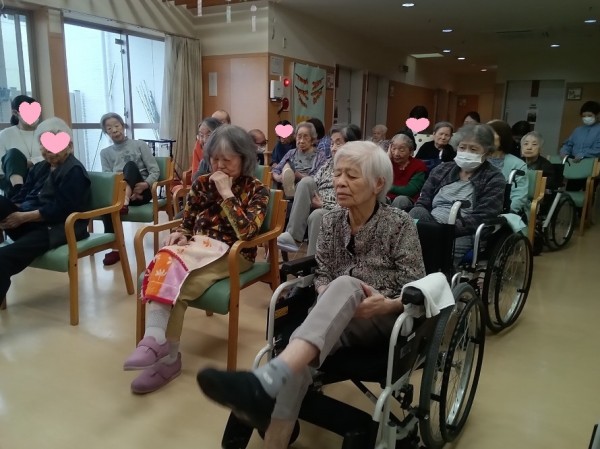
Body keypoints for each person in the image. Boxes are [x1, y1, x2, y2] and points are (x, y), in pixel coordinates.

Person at [198, 141, 426, 447]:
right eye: (337, 174)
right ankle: (275, 434)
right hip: (333, 316)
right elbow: (322, 272)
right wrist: (323, 289)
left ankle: (268, 379)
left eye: (352, 176)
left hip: (382, 317)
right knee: (301, 357)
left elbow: (415, 285)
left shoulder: (399, 224)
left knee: (344, 285)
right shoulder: (329, 220)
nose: (340, 182)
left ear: (378, 184)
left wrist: (386, 305)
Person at [123, 125, 270, 394]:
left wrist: (227, 194)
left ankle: (168, 360)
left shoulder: (257, 189)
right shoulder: (201, 183)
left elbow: (248, 232)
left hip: (234, 253)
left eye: (227, 160)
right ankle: (154, 340)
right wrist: (180, 233)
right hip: (198, 248)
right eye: (215, 159)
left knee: (179, 289)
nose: (219, 166)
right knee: (162, 264)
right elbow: (187, 222)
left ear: (244, 159)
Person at [0, 117, 91, 308]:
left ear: (69, 145)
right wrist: (13, 210)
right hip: (28, 222)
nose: (49, 151)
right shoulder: (40, 167)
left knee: (3, 258)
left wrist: (23, 217)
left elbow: (64, 209)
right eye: (44, 145)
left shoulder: (74, 170)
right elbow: (23, 195)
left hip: (57, 227)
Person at [409, 124, 505, 265]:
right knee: (416, 212)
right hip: (431, 223)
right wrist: (432, 228)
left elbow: (485, 214)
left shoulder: (494, 177)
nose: (466, 152)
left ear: (487, 152)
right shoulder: (442, 169)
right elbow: (424, 199)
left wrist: (447, 229)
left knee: (439, 252)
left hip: (464, 231)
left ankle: (434, 273)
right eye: (462, 147)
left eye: (473, 149)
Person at [277, 124, 361, 255]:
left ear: (352, 145)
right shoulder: (329, 163)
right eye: (332, 143)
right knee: (306, 181)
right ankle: (293, 237)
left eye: (338, 143)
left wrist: (323, 204)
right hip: (317, 199)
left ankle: (313, 264)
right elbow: (313, 182)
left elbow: (354, 203)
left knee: (317, 215)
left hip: (335, 209)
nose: (333, 148)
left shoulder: (357, 168)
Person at [99, 112, 160, 266]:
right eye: (109, 128)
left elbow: (155, 170)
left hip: (142, 191)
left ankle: (124, 201)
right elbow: (107, 177)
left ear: (123, 126)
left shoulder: (139, 145)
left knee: (130, 166)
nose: (114, 130)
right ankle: (115, 249)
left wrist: (146, 184)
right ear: (106, 132)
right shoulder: (105, 153)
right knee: (107, 206)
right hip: (120, 194)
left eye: (116, 125)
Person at [0, 95, 43, 198]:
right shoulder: (5, 135)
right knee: (13, 153)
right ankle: (18, 192)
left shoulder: (45, 132)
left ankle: (19, 197)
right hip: (10, 182)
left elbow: (54, 156)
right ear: (16, 113)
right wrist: (19, 166)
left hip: (39, 178)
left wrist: (32, 162)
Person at [272, 122, 325, 198]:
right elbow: (276, 170)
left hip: (308, 188)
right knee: (287, 165)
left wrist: (300, 176)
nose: (301, 141)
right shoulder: (291, 153)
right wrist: (279, 178)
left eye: (306, 137)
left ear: (312, 140)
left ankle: (291, 190)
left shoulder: (320, 155)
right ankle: (289, 184)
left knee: (303, 183)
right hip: (290, 183)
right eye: (299, 137)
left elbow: (321, 178)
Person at [487, 120, 529, 213]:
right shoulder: (477, 159)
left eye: (489, 134)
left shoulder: (518, 164)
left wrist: (507, 213)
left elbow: (518, 195)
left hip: (505, 212)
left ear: (502, 137)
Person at [387, 133, 427, 210]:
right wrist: (386, 159)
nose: (396, 153)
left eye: (401, 150)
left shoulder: (419, 165)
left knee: (400, 200)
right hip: (387, 198)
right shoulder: (387, 162)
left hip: (407, 200)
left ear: (410, 151)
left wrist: (387, 187)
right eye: (393, 149)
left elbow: (410, 190)